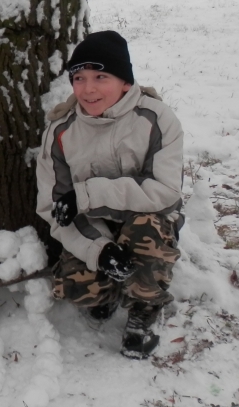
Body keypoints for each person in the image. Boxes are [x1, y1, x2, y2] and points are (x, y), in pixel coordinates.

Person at [35, 30, 184, 360]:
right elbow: (52, 207)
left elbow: (166, 192)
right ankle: (110, 288)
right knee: (79, 286)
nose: (88, 89)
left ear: (125, 82)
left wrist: (88, 193)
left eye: (101, 77)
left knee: (146, 233)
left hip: (148, 220)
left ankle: (145, 306)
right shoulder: (60, 132)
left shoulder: (156, 119)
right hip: (93, 226)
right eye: (79, 78)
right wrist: (98, 250)